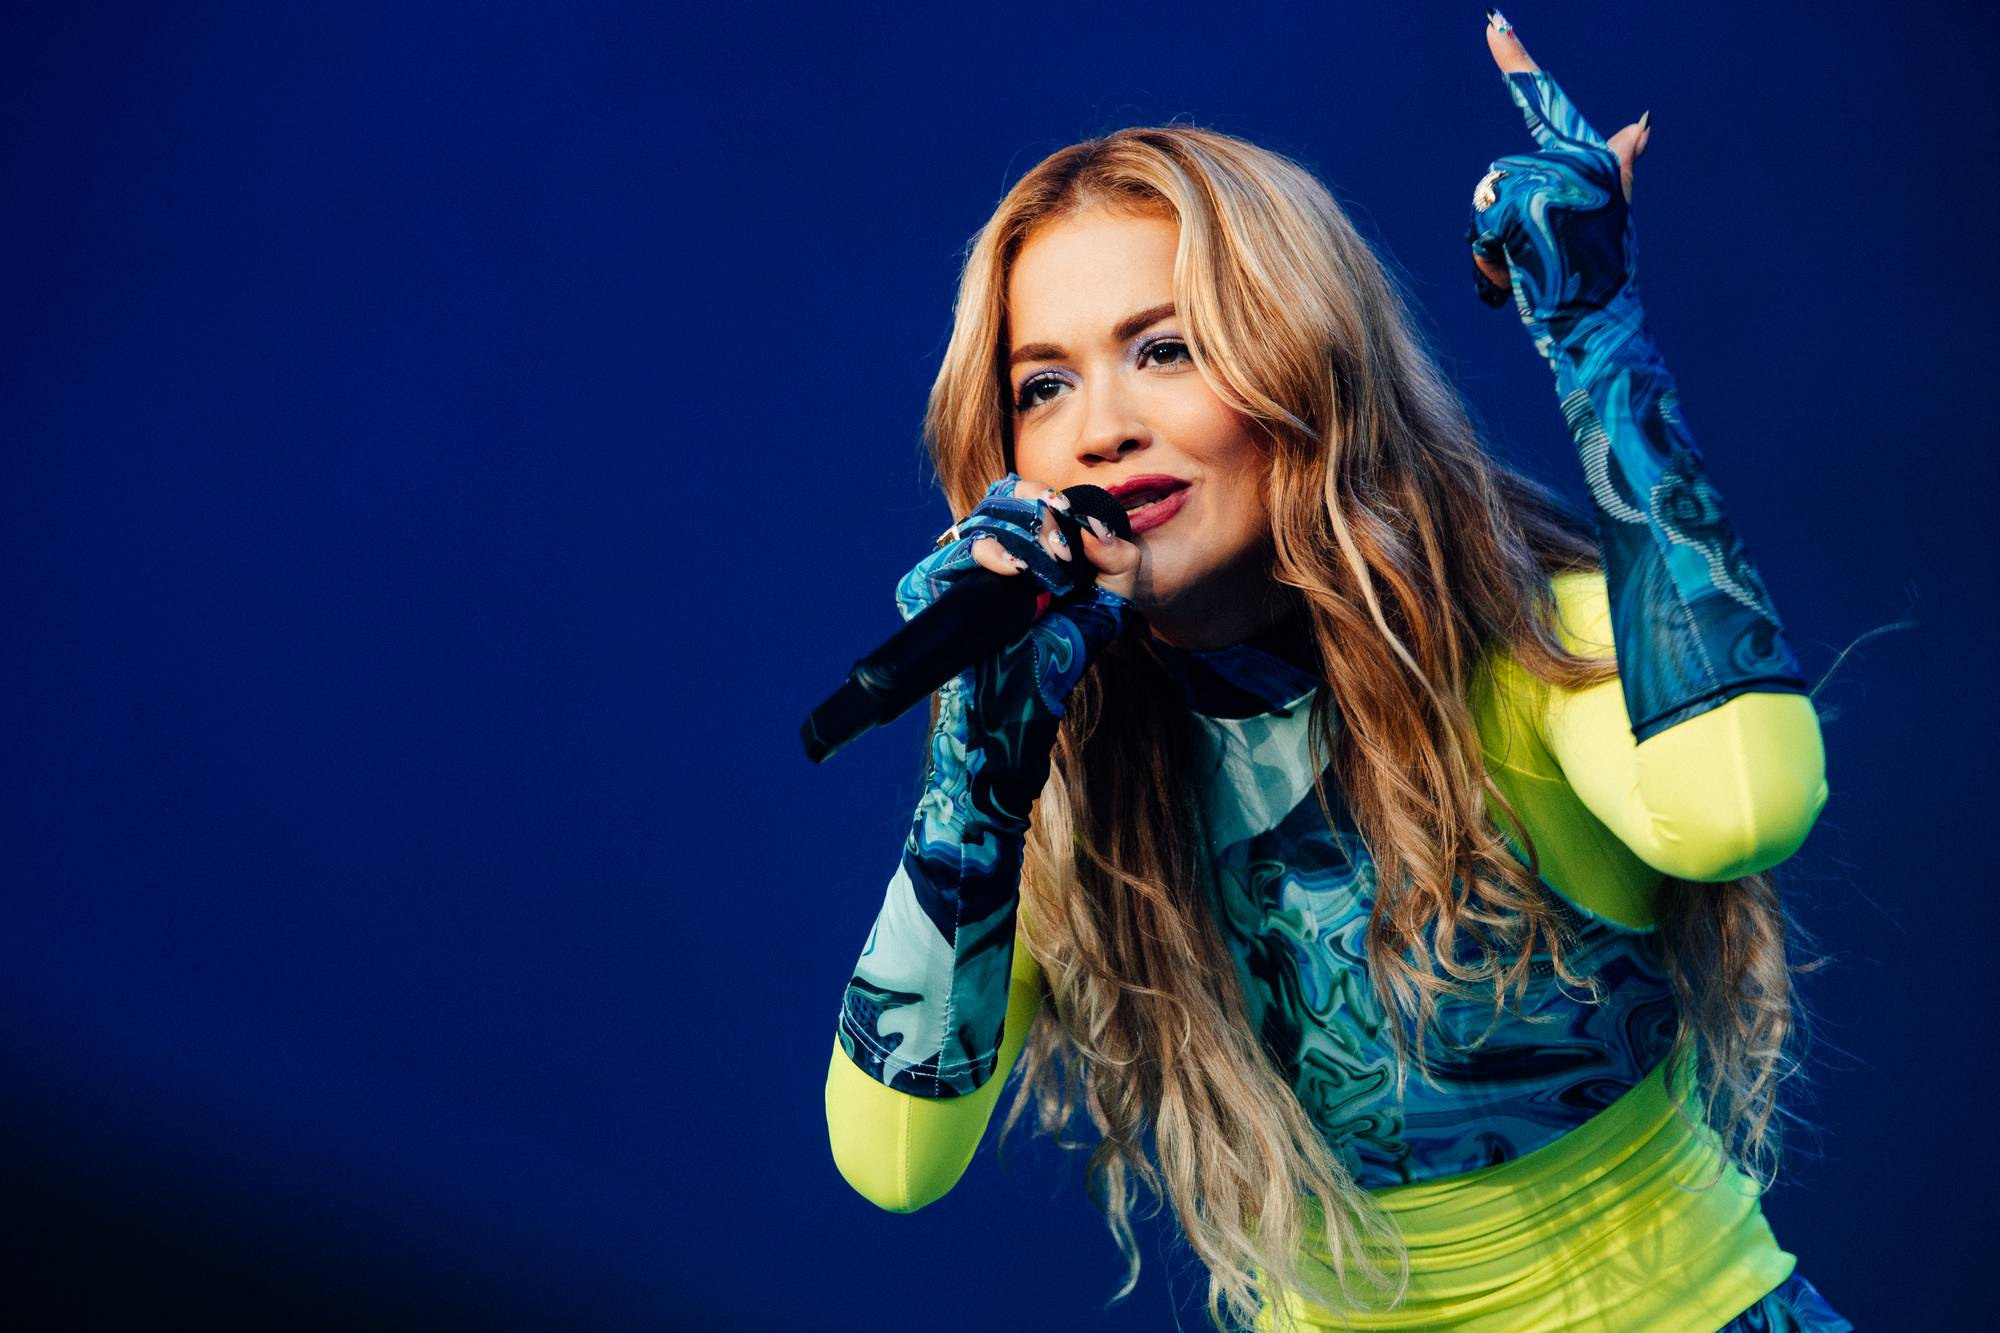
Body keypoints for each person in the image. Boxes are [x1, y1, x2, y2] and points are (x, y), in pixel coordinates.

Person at [823, 14, 1851, 1332]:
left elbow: (1741, 805)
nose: (1101, 429)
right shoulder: (1051, 777)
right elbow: (891, 1158)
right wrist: (971, 775)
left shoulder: (1527, 643)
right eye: (1042, 386)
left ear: (1305, 362)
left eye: (1164, 349)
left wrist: (1594, 337)